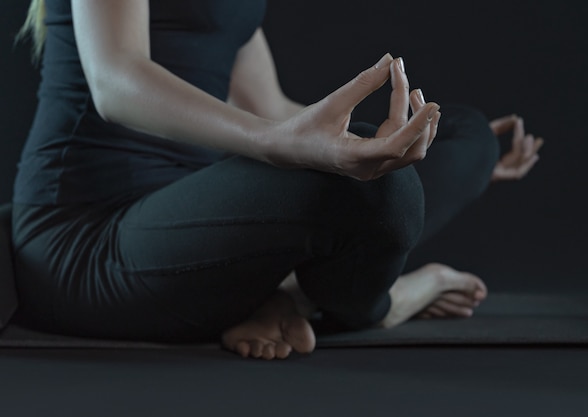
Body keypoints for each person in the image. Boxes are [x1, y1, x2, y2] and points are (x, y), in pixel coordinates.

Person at [12, 0, 543, 360]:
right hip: (87, 241)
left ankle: (282, 295)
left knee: (467, 137)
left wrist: (404, 151)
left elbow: (272, 109)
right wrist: (278, 144)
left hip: (198, 231)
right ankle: (389, 301)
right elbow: (115, 81)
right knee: (386, 192)